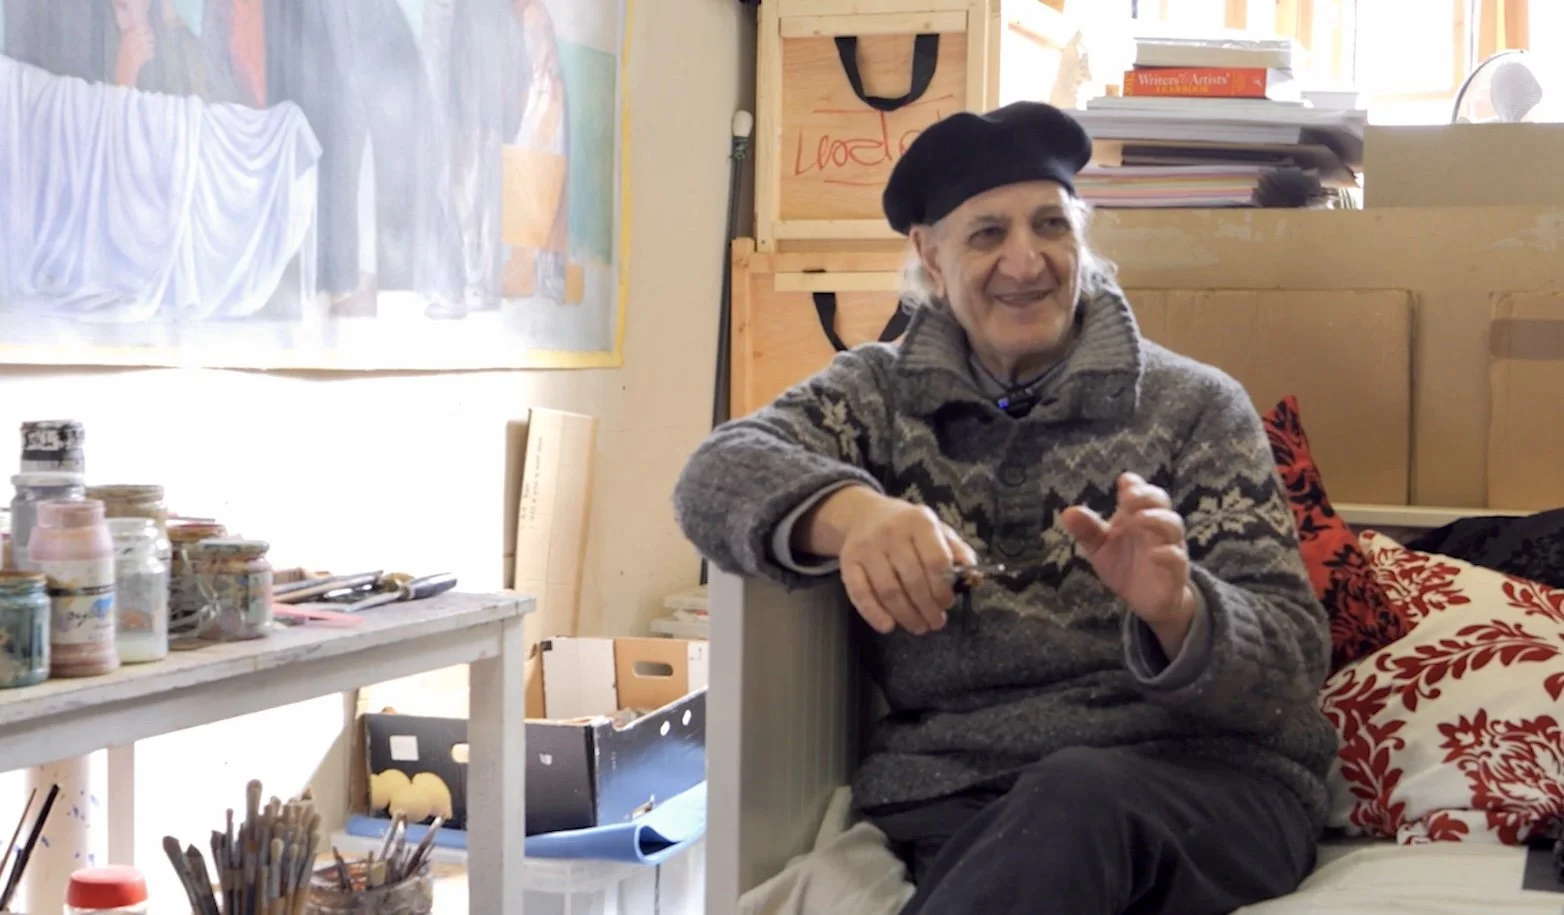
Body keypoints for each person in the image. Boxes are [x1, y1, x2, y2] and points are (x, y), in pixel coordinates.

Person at [673, 102, 1336, 914]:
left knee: (1077, 792)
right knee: (1046, 825)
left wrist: (1182, 612)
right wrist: (857, 514)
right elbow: (711, 475)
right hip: (959, 798)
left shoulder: (1193, 406)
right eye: (988, 233)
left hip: (1209, 790)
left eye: (1050, 226)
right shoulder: (877, 396)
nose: (1027, 261)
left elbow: (1297, 667)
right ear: (929, 255)